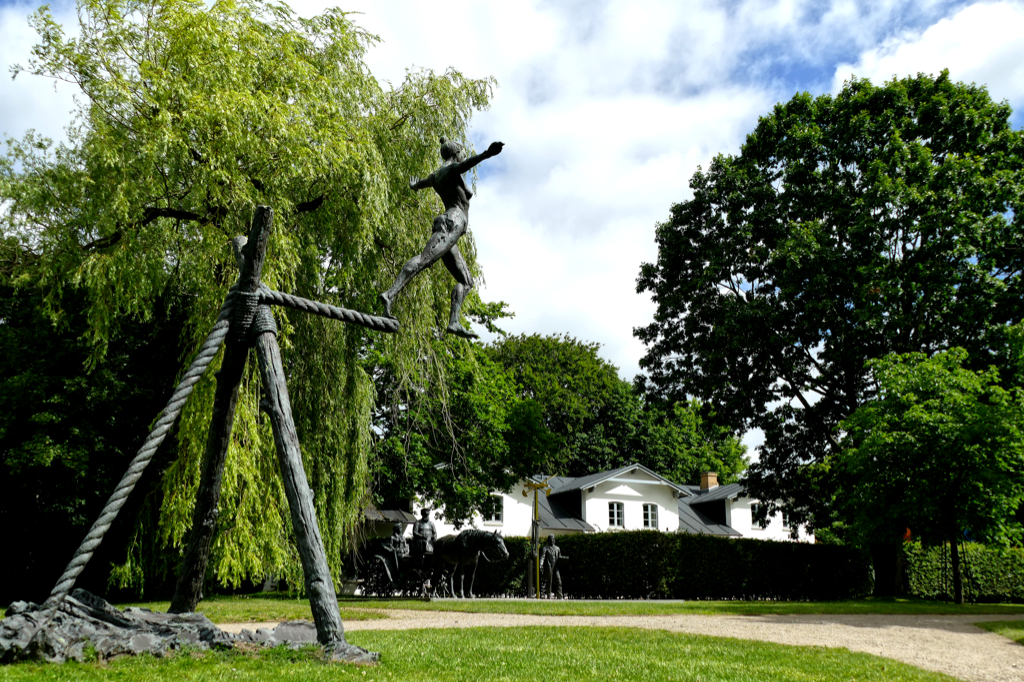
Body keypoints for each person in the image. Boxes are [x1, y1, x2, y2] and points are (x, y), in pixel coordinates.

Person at [378, 137, 505, 338]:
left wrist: (415, 186)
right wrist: (487, 154)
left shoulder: (436, 175)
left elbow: (421, 183)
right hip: (452, 222)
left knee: (467, 281)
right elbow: (467, 164)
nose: (463, 155)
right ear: (456, 154)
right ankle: (389, 294)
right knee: (424, 260)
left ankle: (453, 322)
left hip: (449, 226)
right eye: (461, 152)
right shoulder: (451, 169)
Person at [540, 534, 567, 599]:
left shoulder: (557, 548)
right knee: (549, 582)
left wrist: (564, 558)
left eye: (553, 539)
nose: (552, 540)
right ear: (549, 540)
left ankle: (560, 596)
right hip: (549, 567)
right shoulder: (545, 548)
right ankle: (549, 596)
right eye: (550, 539)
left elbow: (559, 556)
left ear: (554, 540)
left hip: (556, 567)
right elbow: (542, 557)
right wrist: (541, 564)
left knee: (559, 581)